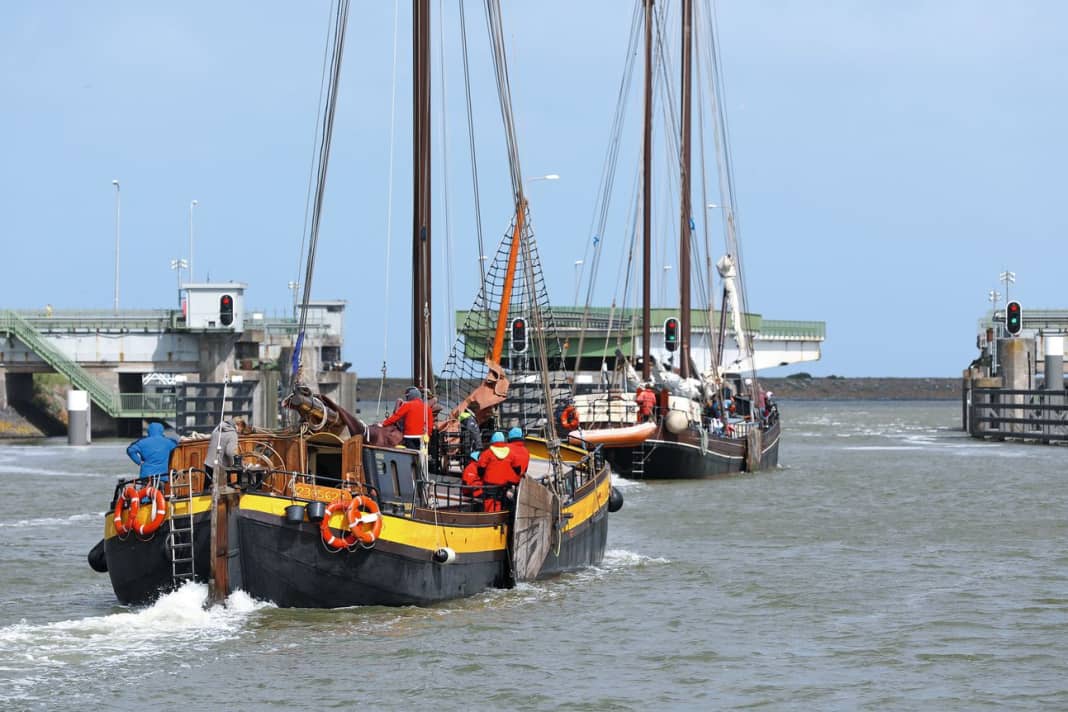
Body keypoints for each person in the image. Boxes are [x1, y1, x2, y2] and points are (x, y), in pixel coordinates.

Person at [476, 432, 522, 512]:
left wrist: (482, 477)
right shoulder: (511, 454)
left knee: (489, 503)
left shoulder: (487, 453)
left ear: (492, 441)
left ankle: (490, 519)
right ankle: (500, 519)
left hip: (489, 484)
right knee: (501, 502)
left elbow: (480, 468)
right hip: (504, 485)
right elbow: (518, 469)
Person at [380, 386, 430, 450]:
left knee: (412, 453)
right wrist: (427, 434)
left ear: (411, 396)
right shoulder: (427, 407)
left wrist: (383, 424)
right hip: (422, 436)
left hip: (409, 436)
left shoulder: (407, 405)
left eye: (407, 396)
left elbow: (396, 417)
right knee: (421, 453)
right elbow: (430, 424)